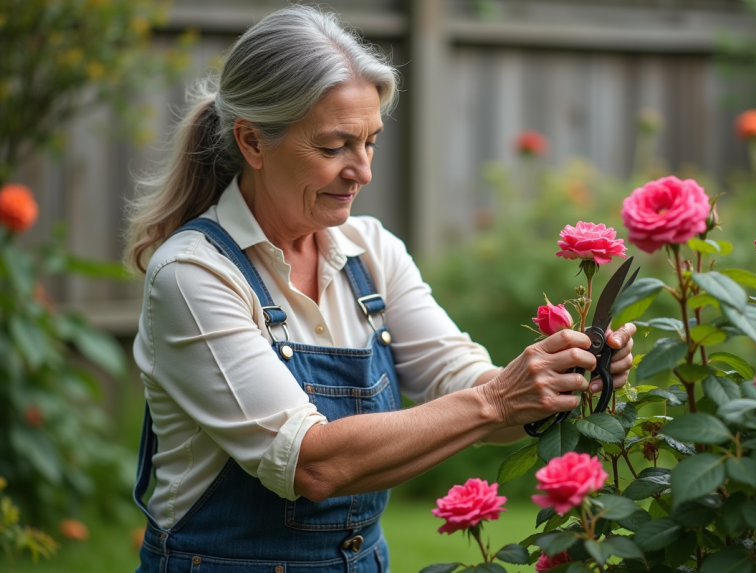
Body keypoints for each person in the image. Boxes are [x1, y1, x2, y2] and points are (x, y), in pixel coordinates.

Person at [124, 6, 636, 573]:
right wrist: (497, 399)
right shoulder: (193, 275)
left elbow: (466, 384)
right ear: (252, 142)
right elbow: (309, 465)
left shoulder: (369, 250)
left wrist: (558, 382)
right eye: (334, 146)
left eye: (370, 142)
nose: (362, 170)